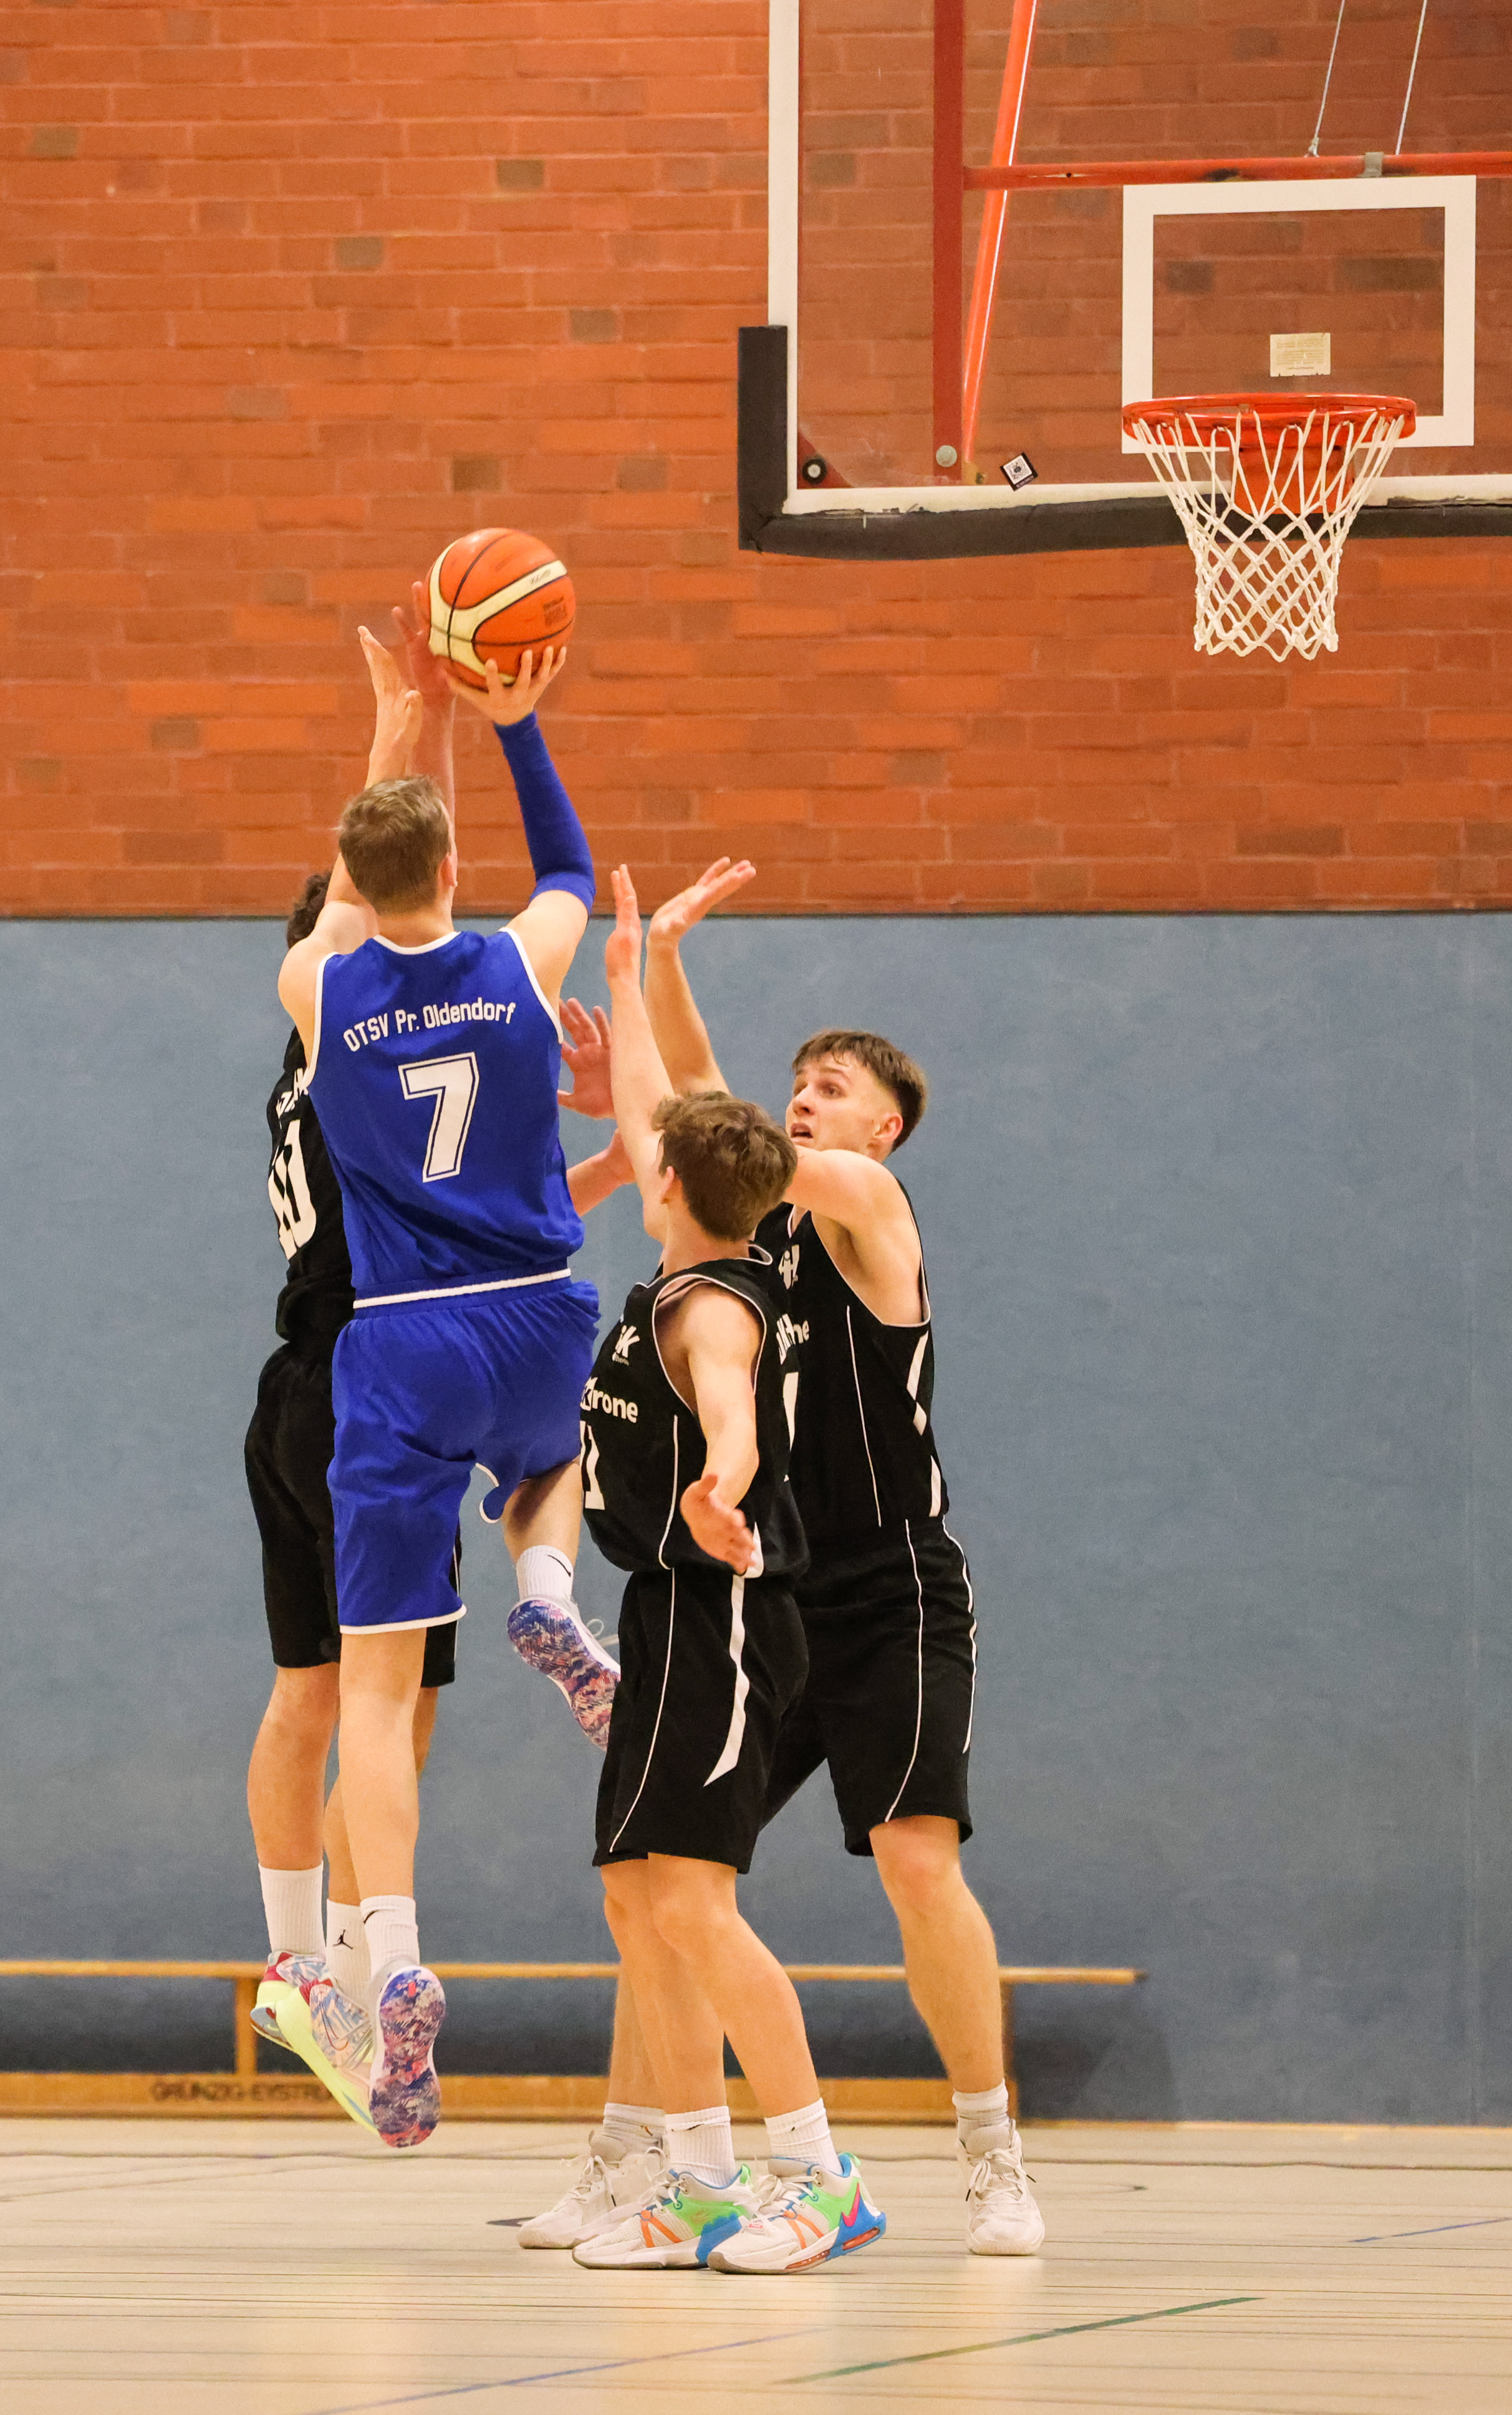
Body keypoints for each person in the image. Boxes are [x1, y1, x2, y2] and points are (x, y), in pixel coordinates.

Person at [637, 859, 1045, 2256]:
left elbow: (714, 1127)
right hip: (776, 1590)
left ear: (885, 1124)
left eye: (830, 1086)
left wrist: (669, 1073)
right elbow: (709, 1119)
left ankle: (991, 2152)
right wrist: (660, 963)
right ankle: (649, 2159)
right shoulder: (762, 1231)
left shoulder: (869, 1207)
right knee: (670, 1872)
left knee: (916, 1863)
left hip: (893, 1584)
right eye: (796, 1082)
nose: (803, 1098)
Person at [274, 622, 596, 2148]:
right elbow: (571, 870)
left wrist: (391, 740)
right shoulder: (523, 960)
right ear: (455, 871)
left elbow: (349, 901)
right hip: (534, 1312)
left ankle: (392, 1954)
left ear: (352, 877)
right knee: (555, 1461)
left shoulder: (317, 985)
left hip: (401, 1340)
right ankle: (548, 1583)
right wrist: (513, 721)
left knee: (377, 1694)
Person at [556, 867, 884, 2275]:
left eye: (653, 1157)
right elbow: (650, 1105)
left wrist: (721, 1484)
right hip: (667, 1605)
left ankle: (819, 2173)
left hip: (730, 1611)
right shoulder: (695, 1249)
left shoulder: (711, 1307)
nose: (639, 1156)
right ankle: (694, 2183)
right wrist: (626, 975)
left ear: (672, 1189)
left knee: (692, 1900)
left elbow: (735, 1413)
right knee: (638, 1901)